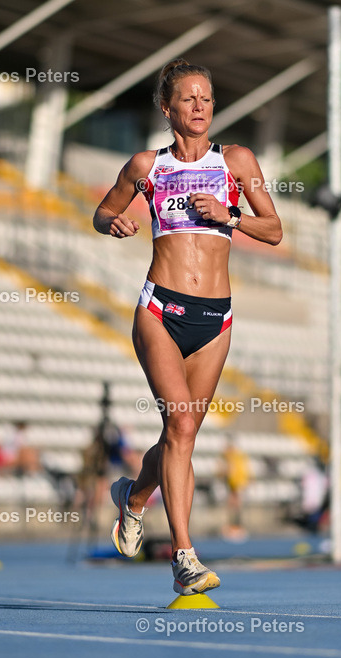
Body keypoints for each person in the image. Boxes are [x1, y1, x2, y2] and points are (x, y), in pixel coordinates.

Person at [93, 58, 282, 595]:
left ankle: (134, 497)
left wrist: (230, 216)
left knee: (183, 434)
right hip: (161, 309)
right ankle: (184, 557)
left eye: (206, 98)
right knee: (179, 426)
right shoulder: (145, 165)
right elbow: (102, 212)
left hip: (215, 318)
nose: (199, 107)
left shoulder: (237, 161)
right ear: (167, 107)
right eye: (188, 98)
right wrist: (113, 222)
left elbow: (274, 229)